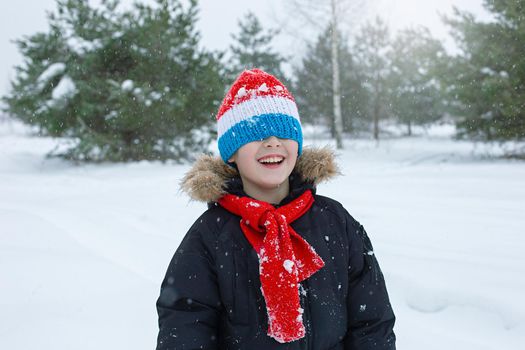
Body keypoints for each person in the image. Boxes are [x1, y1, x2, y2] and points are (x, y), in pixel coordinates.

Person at [156, 68, 396, 349]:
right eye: (255, 134)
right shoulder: (210, 235)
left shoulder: (335, 221)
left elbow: (372, 320)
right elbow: (185, 325)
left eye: (283, 132)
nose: (272, 142)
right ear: (231, 151)